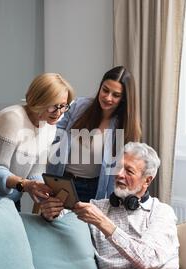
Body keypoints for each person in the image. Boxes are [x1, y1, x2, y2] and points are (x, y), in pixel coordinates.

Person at [42, 142, 181, 269]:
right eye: (118, 167)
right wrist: (51, 212)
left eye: (129, 171)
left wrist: (103, 223)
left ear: (147, 181)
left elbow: (149, 260)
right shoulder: (96, 207)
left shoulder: (161, 212)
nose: (119, 174)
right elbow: (66, 218)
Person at [0, 73, 75, 211]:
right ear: (38, 101)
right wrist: (26, 185)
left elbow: (36, 171)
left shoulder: (50, 126)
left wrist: (43, 189)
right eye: (53, 106)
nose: (59, 112)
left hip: (10, 198)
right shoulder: (12, 118)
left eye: (63, 106)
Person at [46, 66, 142, 204]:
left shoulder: (124, 126)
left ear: (124, 98)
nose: (108, 98)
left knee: (85, 226)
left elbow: (128, 168)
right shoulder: (79, 106)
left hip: (91, 189)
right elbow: (54, 132)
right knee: (53, 223)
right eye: (105, 90)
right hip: (61, 181)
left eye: (116, 95)